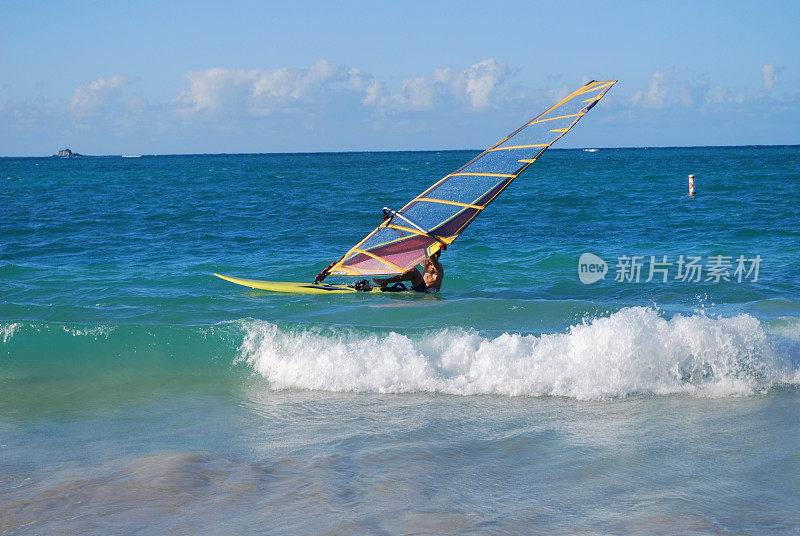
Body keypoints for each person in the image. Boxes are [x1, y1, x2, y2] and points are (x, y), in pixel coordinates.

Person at [372, 250, 443, 293]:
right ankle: (384, 284)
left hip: (428, 292)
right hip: (420, 289)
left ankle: (385, 281)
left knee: (414, 271)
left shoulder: (438, 267)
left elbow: (432, 257)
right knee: (412, 268)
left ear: (435, 256)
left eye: (427, 256)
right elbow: (413, 250)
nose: (425, 258)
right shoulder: (426, 265)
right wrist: (401, 233)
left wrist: (431, 245)